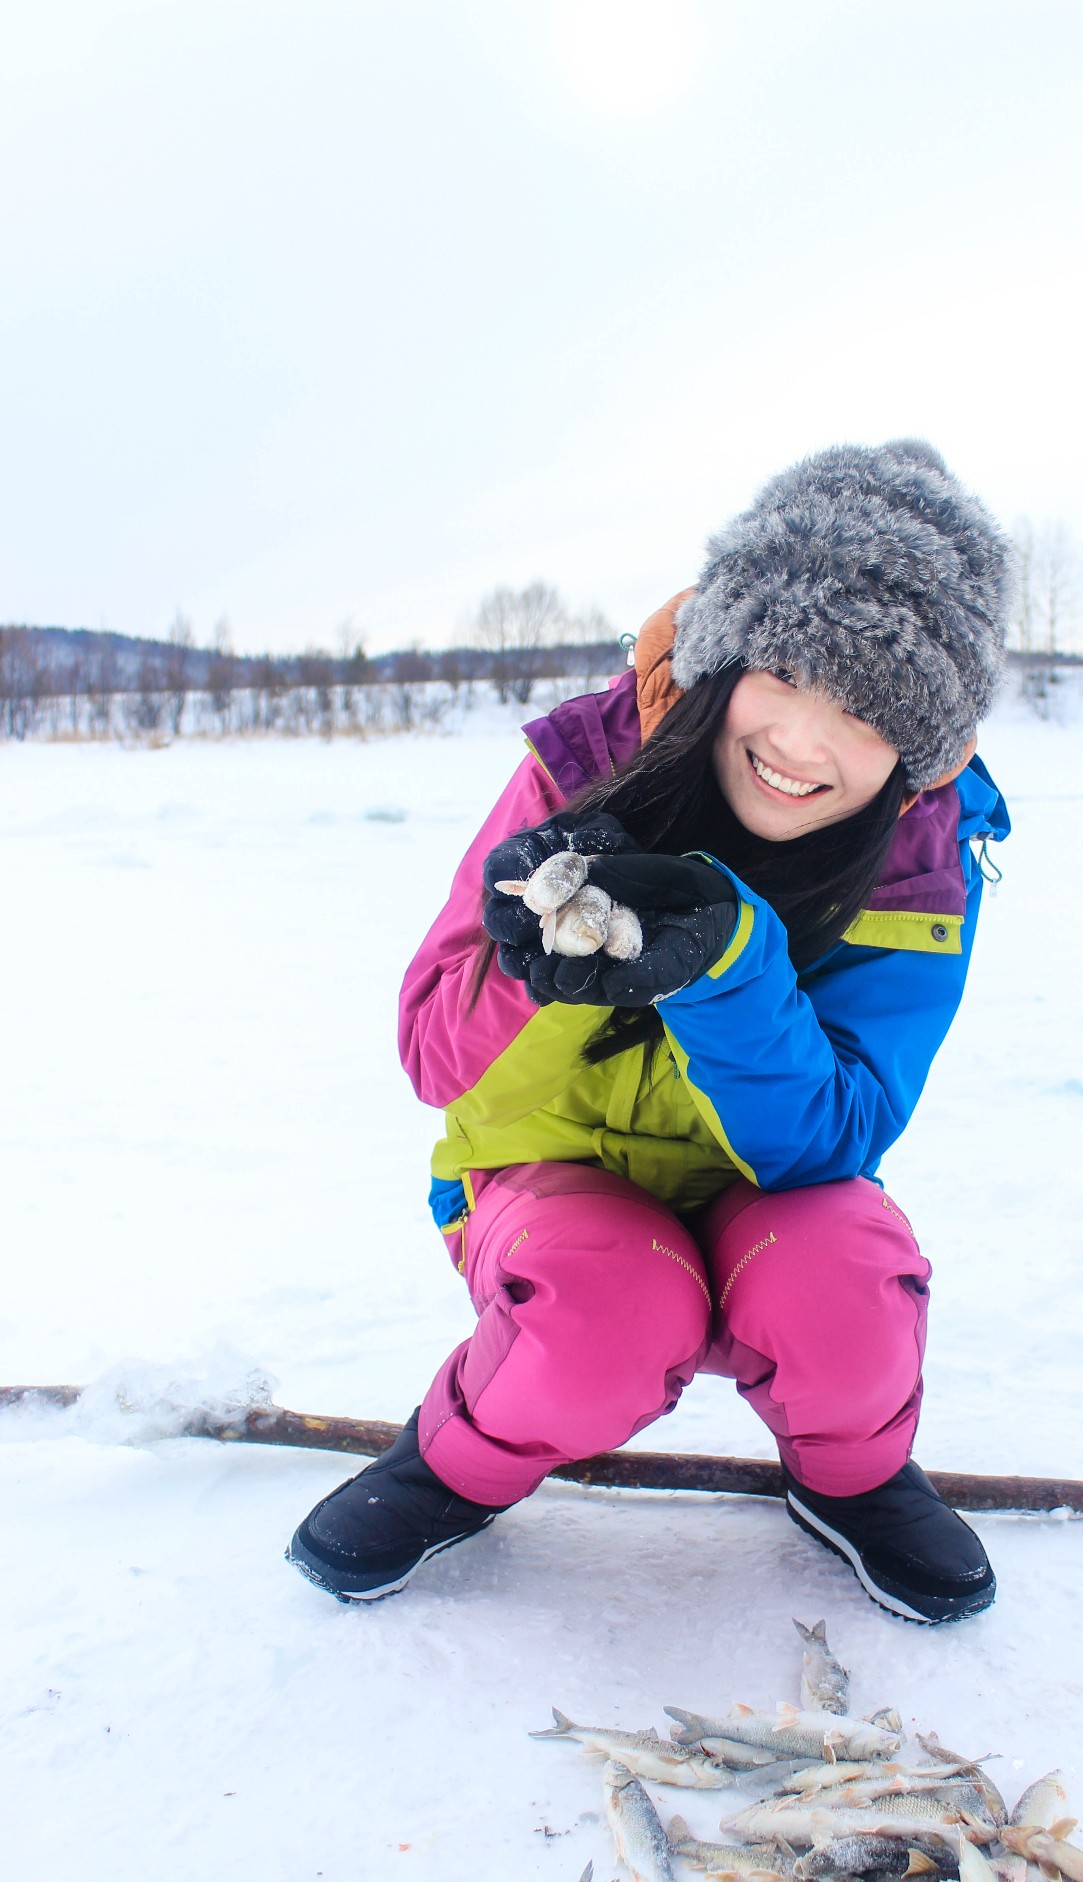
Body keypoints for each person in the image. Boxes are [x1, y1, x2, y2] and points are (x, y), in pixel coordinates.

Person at [287, 439, 1012, 1621]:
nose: (800, 742)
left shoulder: (924, 854)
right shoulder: (585, 766)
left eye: (868, 709)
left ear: (917, 745)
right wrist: (535, 963)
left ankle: (853, 1478)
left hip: (771, 1200)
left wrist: (727, 968)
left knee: (849, 1288)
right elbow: (431, 1053)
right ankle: (457, 1462)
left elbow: (844, 1129)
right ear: (727, 653)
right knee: (606, 1311)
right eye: (782, 670)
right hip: (549, 1183)